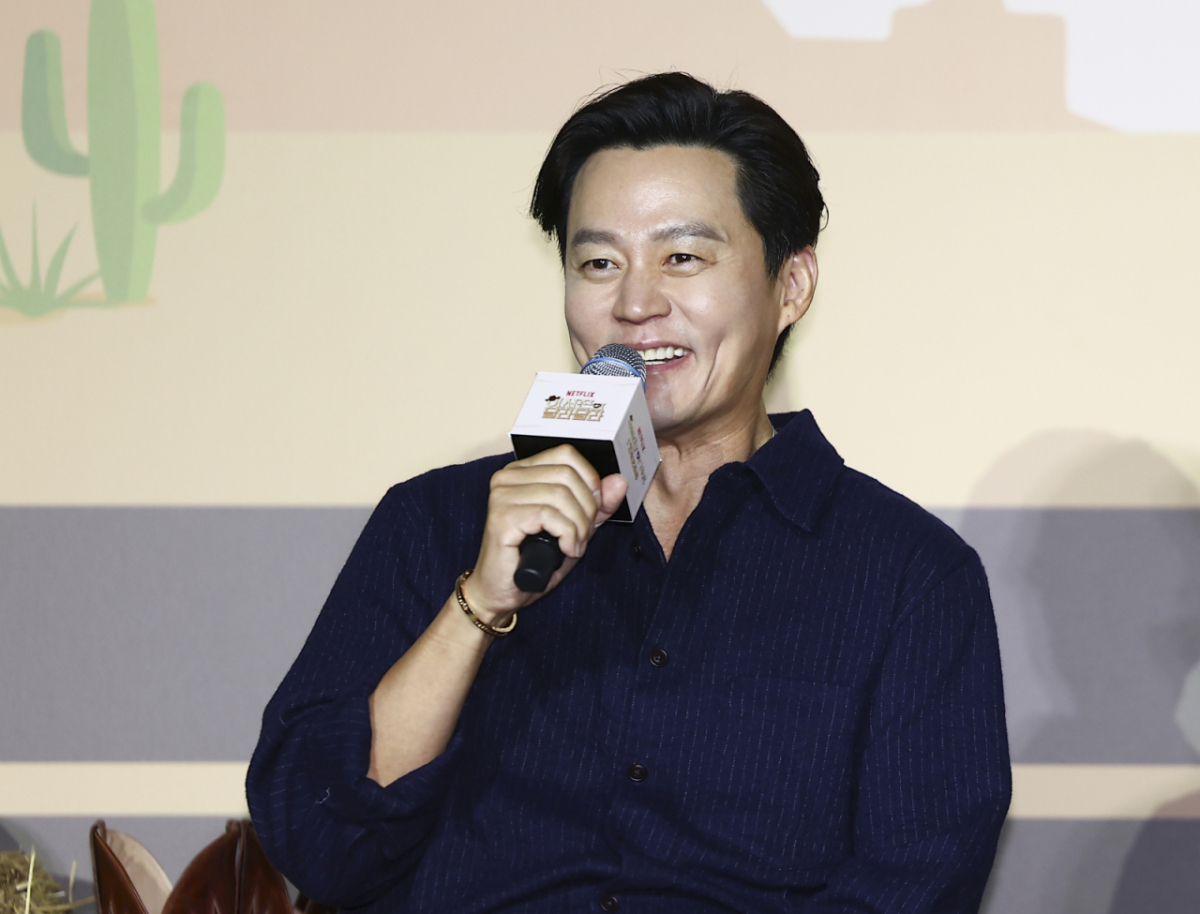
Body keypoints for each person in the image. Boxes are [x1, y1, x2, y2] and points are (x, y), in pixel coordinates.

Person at [247, 72, 1010, 913]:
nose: (635, 304)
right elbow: (320, 843)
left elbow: (915, 884)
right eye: (599, 263)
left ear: (790, 286)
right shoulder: (437, 523)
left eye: (682, 258)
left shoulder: (908, 577)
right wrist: (478, 605)